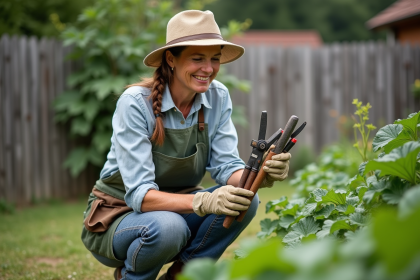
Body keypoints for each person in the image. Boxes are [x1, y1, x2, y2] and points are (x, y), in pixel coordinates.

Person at [81, 10, 291, 280]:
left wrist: (262, 173)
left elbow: (228, 166)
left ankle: (182, 275)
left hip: (179, 214)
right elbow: (139, 196)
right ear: (171, 59)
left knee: (245, 200)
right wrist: (204, 200)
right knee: (170, 227)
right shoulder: (135, 103)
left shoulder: (218, 97)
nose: (208, 69)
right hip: (118, 218)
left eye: (214, 59)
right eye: (197, 58)